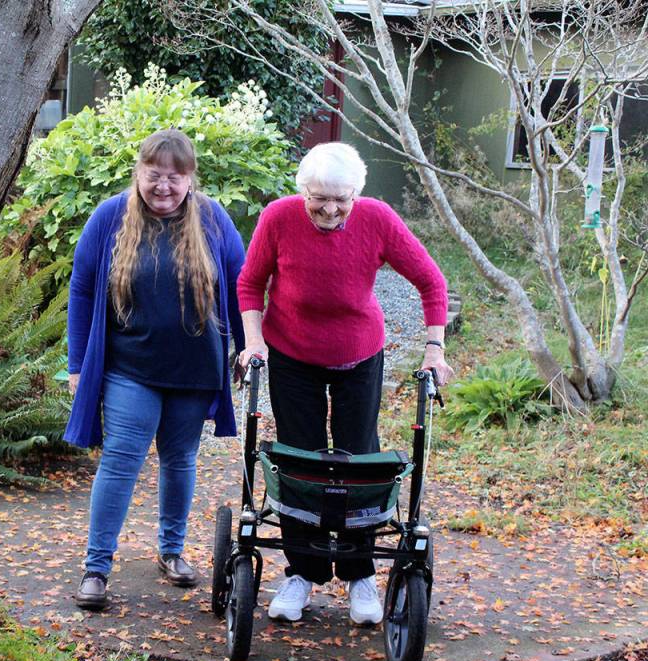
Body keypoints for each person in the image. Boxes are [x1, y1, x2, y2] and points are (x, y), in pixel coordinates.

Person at [236, 142, 453, 626]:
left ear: (357, 193)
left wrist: (434, 348)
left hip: (359, 354)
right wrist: (254, 342)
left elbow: (431, 281)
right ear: (302, 191)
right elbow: (250, 283)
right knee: (300, 459)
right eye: (319, 198)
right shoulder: (278, 218)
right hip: (291, 352)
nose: (331, 209)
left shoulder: (377, 218)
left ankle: (360, 577)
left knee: (358, 459)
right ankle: (302, 573)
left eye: (342, 198)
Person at [65, 129, 246, 611]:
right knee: (121, 458)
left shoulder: (211, 218)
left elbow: (241, 284)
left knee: (180, 460)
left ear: (190, 178)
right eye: (154, 175)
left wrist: (249, 349)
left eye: (174, 176)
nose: (163, 186)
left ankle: (171, 552)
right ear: (138, 172)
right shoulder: (110, 217)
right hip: (130, 367)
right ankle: (96, 568)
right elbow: (82, 289)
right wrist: (78, 363)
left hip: (194, 369)